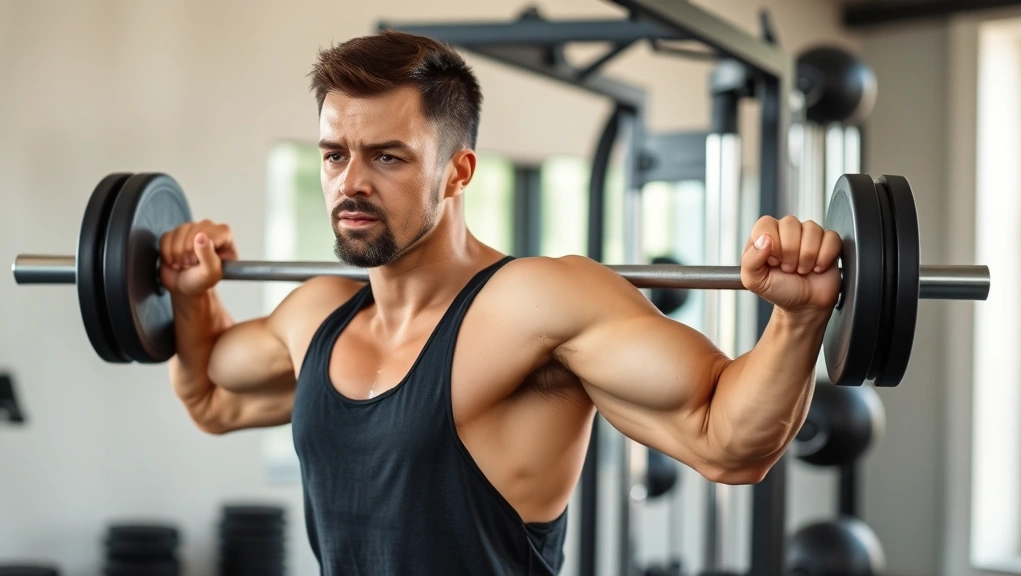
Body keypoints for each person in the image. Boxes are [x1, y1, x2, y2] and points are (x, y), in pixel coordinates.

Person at [159, 30, 841, 576]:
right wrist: (192, 296)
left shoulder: (535, 305)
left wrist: (800, 316)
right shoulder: (315, 316)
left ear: (459, 170)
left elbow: (728, 444)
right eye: (335, 155)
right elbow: (212, 399)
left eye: (388, 157)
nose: (351, 183)